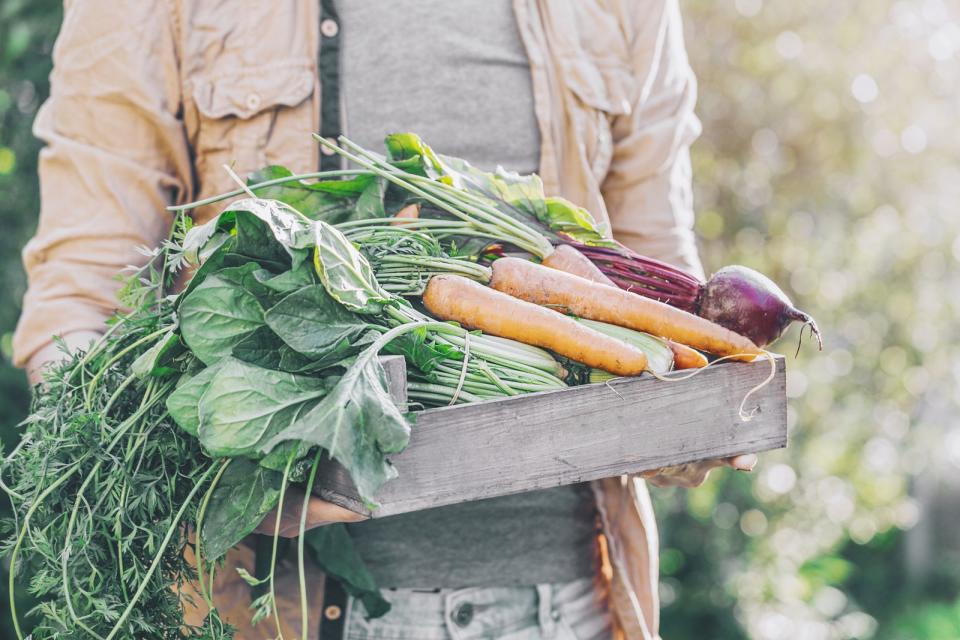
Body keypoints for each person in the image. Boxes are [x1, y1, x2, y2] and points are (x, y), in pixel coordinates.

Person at [14, 1, 757, 638]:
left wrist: (694, 418)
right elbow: (80, 300)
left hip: (568, 608)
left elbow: (662, 287)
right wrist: (168, 462)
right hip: (279, 613)